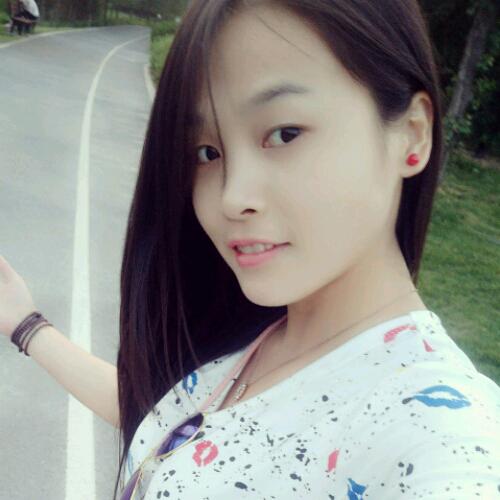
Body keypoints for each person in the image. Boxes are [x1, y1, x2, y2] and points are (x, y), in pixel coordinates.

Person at [1, 0, 499, 499]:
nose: (231, 196)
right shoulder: (262, 342)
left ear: (412, 134)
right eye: (208, 153)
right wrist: (26, 324)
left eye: (284, 133)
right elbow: (166, 426)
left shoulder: (441, 432)